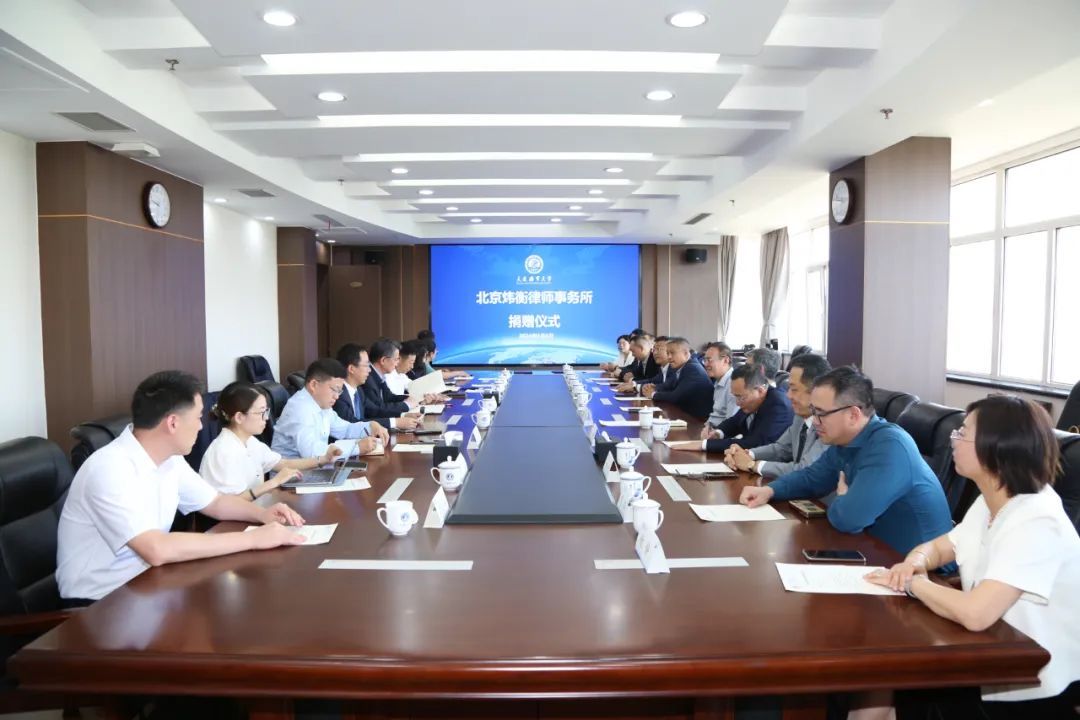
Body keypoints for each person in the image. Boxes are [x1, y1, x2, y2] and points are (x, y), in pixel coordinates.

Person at [866, 395, 1080, 718]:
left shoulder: (1038, 519)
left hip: (1032, 680)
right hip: (988, 654)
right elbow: (940, 548)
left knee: (898, 686)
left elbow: (976, 613)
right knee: (889, 683)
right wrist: (915, 562)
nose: (953, 439)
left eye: (963, 433)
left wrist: (913, 584)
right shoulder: (991, 500)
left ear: (997, 447)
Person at [56, 371, 307, 604]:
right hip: (101, 602)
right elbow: (155, 548)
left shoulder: (170, 460)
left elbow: (215, 502)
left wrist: (263, 514)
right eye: (197, 418)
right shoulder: (109, 468)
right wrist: (252, 539)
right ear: (173, 423)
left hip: (150, 583)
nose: (201, 426)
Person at [739, 366, 953, 557]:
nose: (815, 421)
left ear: (853, 414)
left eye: (821, 413)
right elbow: (812, 478)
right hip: (874, 552)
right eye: (813, 411)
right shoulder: (845, 442)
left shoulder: (889, 446)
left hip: (922, 570)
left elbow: (848, 519)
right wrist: (770, 490)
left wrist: (842, 499)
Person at [199, 382, 342, 499]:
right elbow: (230, 504)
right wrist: (274, 482)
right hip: (231, 522)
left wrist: (323, 459)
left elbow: (283, 464)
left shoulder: (250, 441)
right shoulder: (223, 451)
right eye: (261, 412)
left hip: (253, 510)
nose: (267, 418)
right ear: (239, 417)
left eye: (266, 411)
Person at [724, 353, 832, 479]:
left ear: (816, 390)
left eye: (794, 389)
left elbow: (805, 469)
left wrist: (752, 465)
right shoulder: (800, 416)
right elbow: (781, 449)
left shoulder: (829, 424)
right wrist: (747, 454)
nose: (788, 395)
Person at [272, 359, 386, 460]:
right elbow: (313, 454)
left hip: (315, 471)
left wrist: (370, 426)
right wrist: (357, 447)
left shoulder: (322, 405)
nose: (337, 396)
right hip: (293, 475)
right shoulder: (300, 409)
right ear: (314, 385)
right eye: (334, 389)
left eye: (339, 391)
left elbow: (345, 429)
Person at [670, 364, 792, 454]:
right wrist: (717, 433)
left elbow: (755, 443)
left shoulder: (778, 404)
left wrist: (704, 445)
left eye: (740, 397)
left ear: (760, 390)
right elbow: (735, 421)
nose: (737, 403)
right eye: (735, 397)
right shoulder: (752, 400)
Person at [334, 343, 420, 432]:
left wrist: (403, 416)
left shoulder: (358, 390)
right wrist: (396, 422)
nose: (369, 370)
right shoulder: (338, 394)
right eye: (366, 365)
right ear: (351, 369)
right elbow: (353, 424)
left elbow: (374, 410)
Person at [363, 338, 441, 419]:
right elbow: (376, 410)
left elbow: (389, 397)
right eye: (396, 359)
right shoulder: (368, 380)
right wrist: (406, 404)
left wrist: (414, 399)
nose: (397, 363)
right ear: (383, 360)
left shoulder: (379, 376)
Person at [643, 337, 713, 419]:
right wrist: (654, 387)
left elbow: (676, 396)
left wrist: (653, 394)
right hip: (686, 413)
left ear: (686, 353)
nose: (669, 357)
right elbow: (668, 385)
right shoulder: (682, 366)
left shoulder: (692, 368)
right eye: (667, 353)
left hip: (698, 419)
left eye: (672, 353)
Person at [701, 341, 738, 435]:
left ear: (725, 360)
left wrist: (713, 434)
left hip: (719, 435)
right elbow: (716, 415)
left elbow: (732, 422)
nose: (705, 364)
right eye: (704, 360)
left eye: (709, 360)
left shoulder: (734, 383)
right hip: (710, 430)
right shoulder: (718, 380)